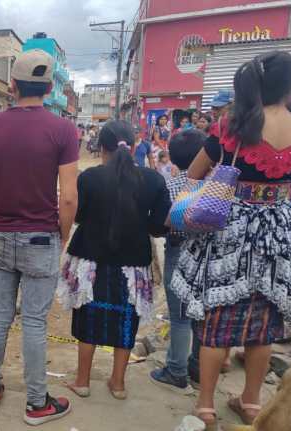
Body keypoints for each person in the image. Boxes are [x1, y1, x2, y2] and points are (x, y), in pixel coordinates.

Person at [171, 51, 291, 429]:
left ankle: (205, 407)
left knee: (217, 321)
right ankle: (251, 403)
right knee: (265, 326)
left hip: (229, 231)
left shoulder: (233, 126)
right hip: (279, 236)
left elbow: (194, 173)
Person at [0, 49, 79, 426]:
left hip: (1, 237)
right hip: (42, 238)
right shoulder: (64, 130)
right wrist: (61, 236)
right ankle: (37, 404)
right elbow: (69, 197)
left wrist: (1, 222)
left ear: (12, 85)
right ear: (50, 88)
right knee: (34, 322)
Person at [57, 120, 170, 401]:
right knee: (126, 319)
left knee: (88, 317)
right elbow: (160, 226)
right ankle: (118, 384)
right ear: (133, 147)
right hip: (133, 266)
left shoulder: (90, 178)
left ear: (102, 148)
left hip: (90, 262)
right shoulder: (153, 180)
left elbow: (79, 216)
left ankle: (82, 381)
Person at [149, 129, 206, 394]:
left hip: (178, 251)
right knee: (202, 313)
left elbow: (159, 225)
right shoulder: (215, 187)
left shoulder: (170, 185)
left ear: (173, 157)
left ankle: (176, 371)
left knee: (180, 316)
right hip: (209, 256)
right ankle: (198, 368)